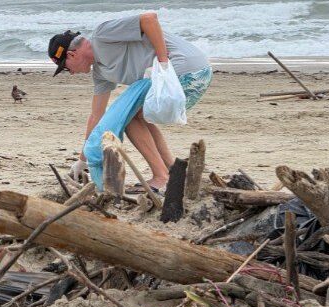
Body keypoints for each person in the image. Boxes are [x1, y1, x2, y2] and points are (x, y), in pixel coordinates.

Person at [48, 12, 212, 190]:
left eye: (65, 68)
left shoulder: (102, 36)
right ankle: (173, 171)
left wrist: (163, 62)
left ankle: (161, 176)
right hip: (196, 74)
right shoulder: (101, 73)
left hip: (183, 69)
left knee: (130, 117)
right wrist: (82, 160)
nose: (70, 73)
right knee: (140, 116)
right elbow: (96, 116)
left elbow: (149, 19)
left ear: (72, 55)